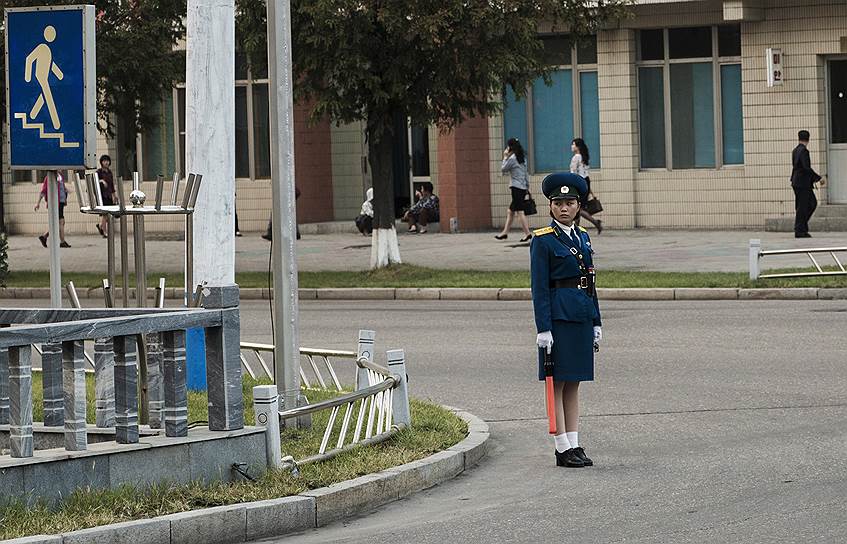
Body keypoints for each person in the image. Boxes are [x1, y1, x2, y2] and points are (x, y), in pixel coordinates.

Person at [530, 172, 602, 468]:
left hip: (582, 316)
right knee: (558, 382)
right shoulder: (543, 240)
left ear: (577, 205)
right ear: (550, 206)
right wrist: (543, 328)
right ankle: (561, 448)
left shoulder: (583, 237)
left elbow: (590, 282)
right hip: (558, 318)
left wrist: (597, 321)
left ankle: (574, 442)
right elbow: (540, 287)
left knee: (574, 382)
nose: (564, 208)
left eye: (570, 202)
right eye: (558, 202)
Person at [495, 138, 532, 242]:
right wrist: (527, 186)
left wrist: (505, 156)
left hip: (516, 187)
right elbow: (525, 173)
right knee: (510, 211)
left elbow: (503, 168)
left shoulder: (512, 158)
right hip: (522, 187)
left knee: (520, 211)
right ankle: (505, 233)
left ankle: (527, 233)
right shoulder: (522, 158)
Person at [791, 130, 825, 238]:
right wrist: (818, 178)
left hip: (796, 182)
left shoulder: (795, 150)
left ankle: (801, 228)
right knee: (808, 205)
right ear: (808, 139)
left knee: (805, 205)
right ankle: (800, 229)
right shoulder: (804, 151)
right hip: (802, 184)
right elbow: (806, 168)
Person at [569, 138, 602, 234]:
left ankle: (595, 222)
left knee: (578, 208)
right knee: (578, 207)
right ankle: (576, 229)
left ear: (577, 147)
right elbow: (586, 175)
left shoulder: (576, 157)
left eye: (573, 144)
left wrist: (572, 184)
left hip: (578, 182)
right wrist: (591, 192)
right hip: (585, 182)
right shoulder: (584, 157)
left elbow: (573, 173)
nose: (572, 146)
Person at [35, 170, 71, 248]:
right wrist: (38, 203)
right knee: (61, 222)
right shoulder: (49, 177)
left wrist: (66, 190)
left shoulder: (60, 176)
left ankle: (44, 236)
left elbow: (61, 187)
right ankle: (62, 241)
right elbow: (43, 191)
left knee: (58, 223)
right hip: (55, 202)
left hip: (61, 202)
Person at [95, 154, 115, 238]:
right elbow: (94, 181)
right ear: (101, 162)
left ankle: (100, 226)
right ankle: (104, 231)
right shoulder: (98, 172)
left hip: (109, 195)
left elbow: (112, 185)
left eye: (107, 161)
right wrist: (101, 181)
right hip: (102, 195)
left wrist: (114, 195)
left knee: (108, 214)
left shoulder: (110, 172)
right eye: (104, 161)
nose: (106, 163)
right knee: (105, 214)